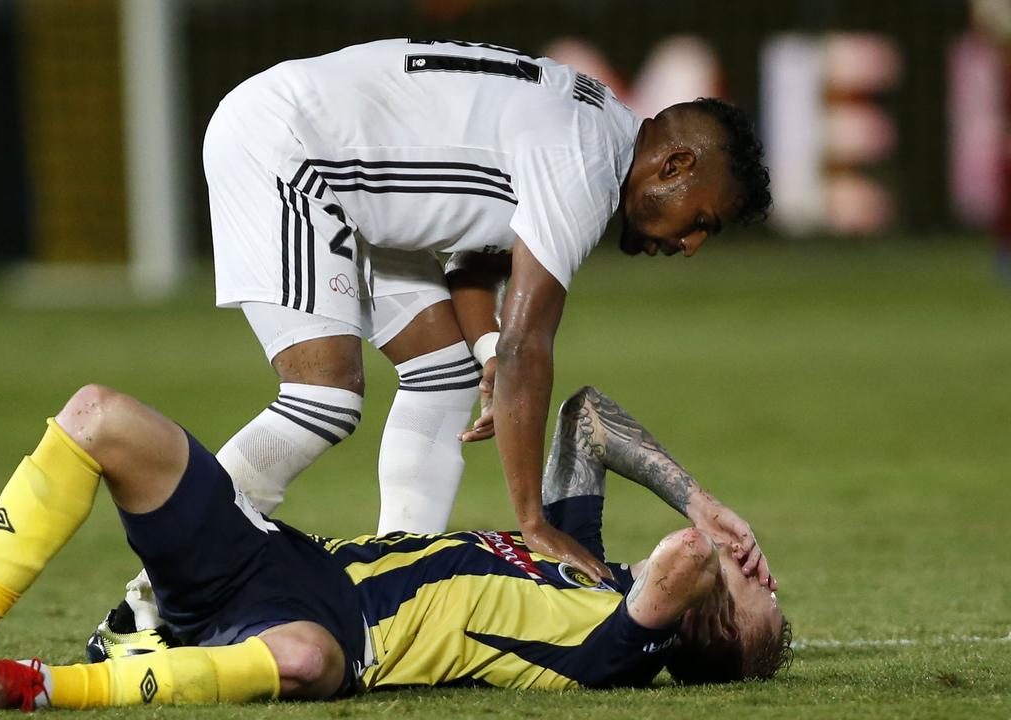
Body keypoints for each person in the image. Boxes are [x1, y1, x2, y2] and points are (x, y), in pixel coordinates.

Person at [0, 383, 789, 711]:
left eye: (761, 597)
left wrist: (711, 540)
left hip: (331, 636)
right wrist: (700, 490)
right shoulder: (581, 557)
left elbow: (677, 564)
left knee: (303, 660)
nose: (760, 567)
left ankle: (41, 687)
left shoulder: (618, 651)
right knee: (99, 418)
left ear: (709, 635)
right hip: (287, 561)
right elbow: (586, 418)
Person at [202, 39, 774, 580]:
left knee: (445, 376)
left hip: (336, 170)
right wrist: (533, 523)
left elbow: (472, 262)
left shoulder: (596, 128)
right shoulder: (585, 163)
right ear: (674, 166)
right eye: (702, 222)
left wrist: (484, 351)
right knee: (323, 398)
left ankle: (396, 582)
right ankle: (160, 586)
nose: (692, 244)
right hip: (289, 150)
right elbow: (527, 346)